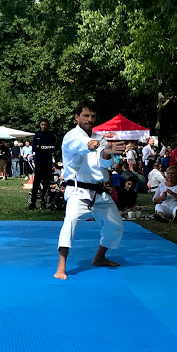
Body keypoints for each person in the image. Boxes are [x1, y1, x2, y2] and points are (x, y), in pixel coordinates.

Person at [54, 100, 126, 280]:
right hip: (78, 190)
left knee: (115, 224)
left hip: (99, 191)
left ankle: (99, 257)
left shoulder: (100, 137)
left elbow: (103, 162)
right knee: (70, 222)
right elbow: (83, 145)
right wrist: (93, 145)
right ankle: (61, 267)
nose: (90, 119)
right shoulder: (71, 136)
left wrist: (107, 152)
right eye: (86, 115)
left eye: (93, 116)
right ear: (77, 117)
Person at [28, 119, 57, 210]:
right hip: (39, 162)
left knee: (46, 183)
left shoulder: (51, 135)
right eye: (42, 124)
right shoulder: (37, 135)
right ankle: (32, 202)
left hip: (47, 162)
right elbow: (34, 148)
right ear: (40, 125)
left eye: (45, 124)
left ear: (47, 125)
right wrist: (44, 148)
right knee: (36, 183)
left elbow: (53, 147)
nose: (43, 126)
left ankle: (43, 202)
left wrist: (41, 147)